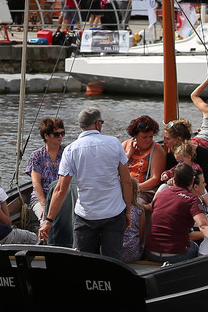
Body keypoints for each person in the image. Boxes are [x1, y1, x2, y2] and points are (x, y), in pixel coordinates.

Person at [38, 106, 135, 259]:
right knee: (112, 261)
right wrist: (128, 212)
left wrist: (48, 221)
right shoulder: (114, 143)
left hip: (86, 215)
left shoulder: (71, 150)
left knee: (83, 262)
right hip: (114, 212)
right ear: (97, 124)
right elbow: (127, 181)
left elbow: (60, 190)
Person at [144, 163, 208, 262]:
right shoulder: (192, 200)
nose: (204, 185)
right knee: (195, 247)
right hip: (175, 255)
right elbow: (203, 225)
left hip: (150, 252)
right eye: (203, 183)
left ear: (174, 179)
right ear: (192, 181)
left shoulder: (161, 195)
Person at [27, 117, 73, 248]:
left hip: (64, 196)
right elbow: (36, 184)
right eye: (56, 134)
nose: (60, 137)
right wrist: (43, 204)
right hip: (42, 197)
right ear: (46, 136)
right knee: (45, 219)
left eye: (62, 133)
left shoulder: (67, 153)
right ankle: (45, 247)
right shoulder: (37, 156)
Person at [122, 114, 167, 193]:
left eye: (151, 137)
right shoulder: (125, 145)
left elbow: (155, 179)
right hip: (123, 187)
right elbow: (114, 167)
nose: (148, 140)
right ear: (135, 136)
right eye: (144, 137)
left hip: (143, 191)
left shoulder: (157, 150)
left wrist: (134, 189)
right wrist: (129, 154)